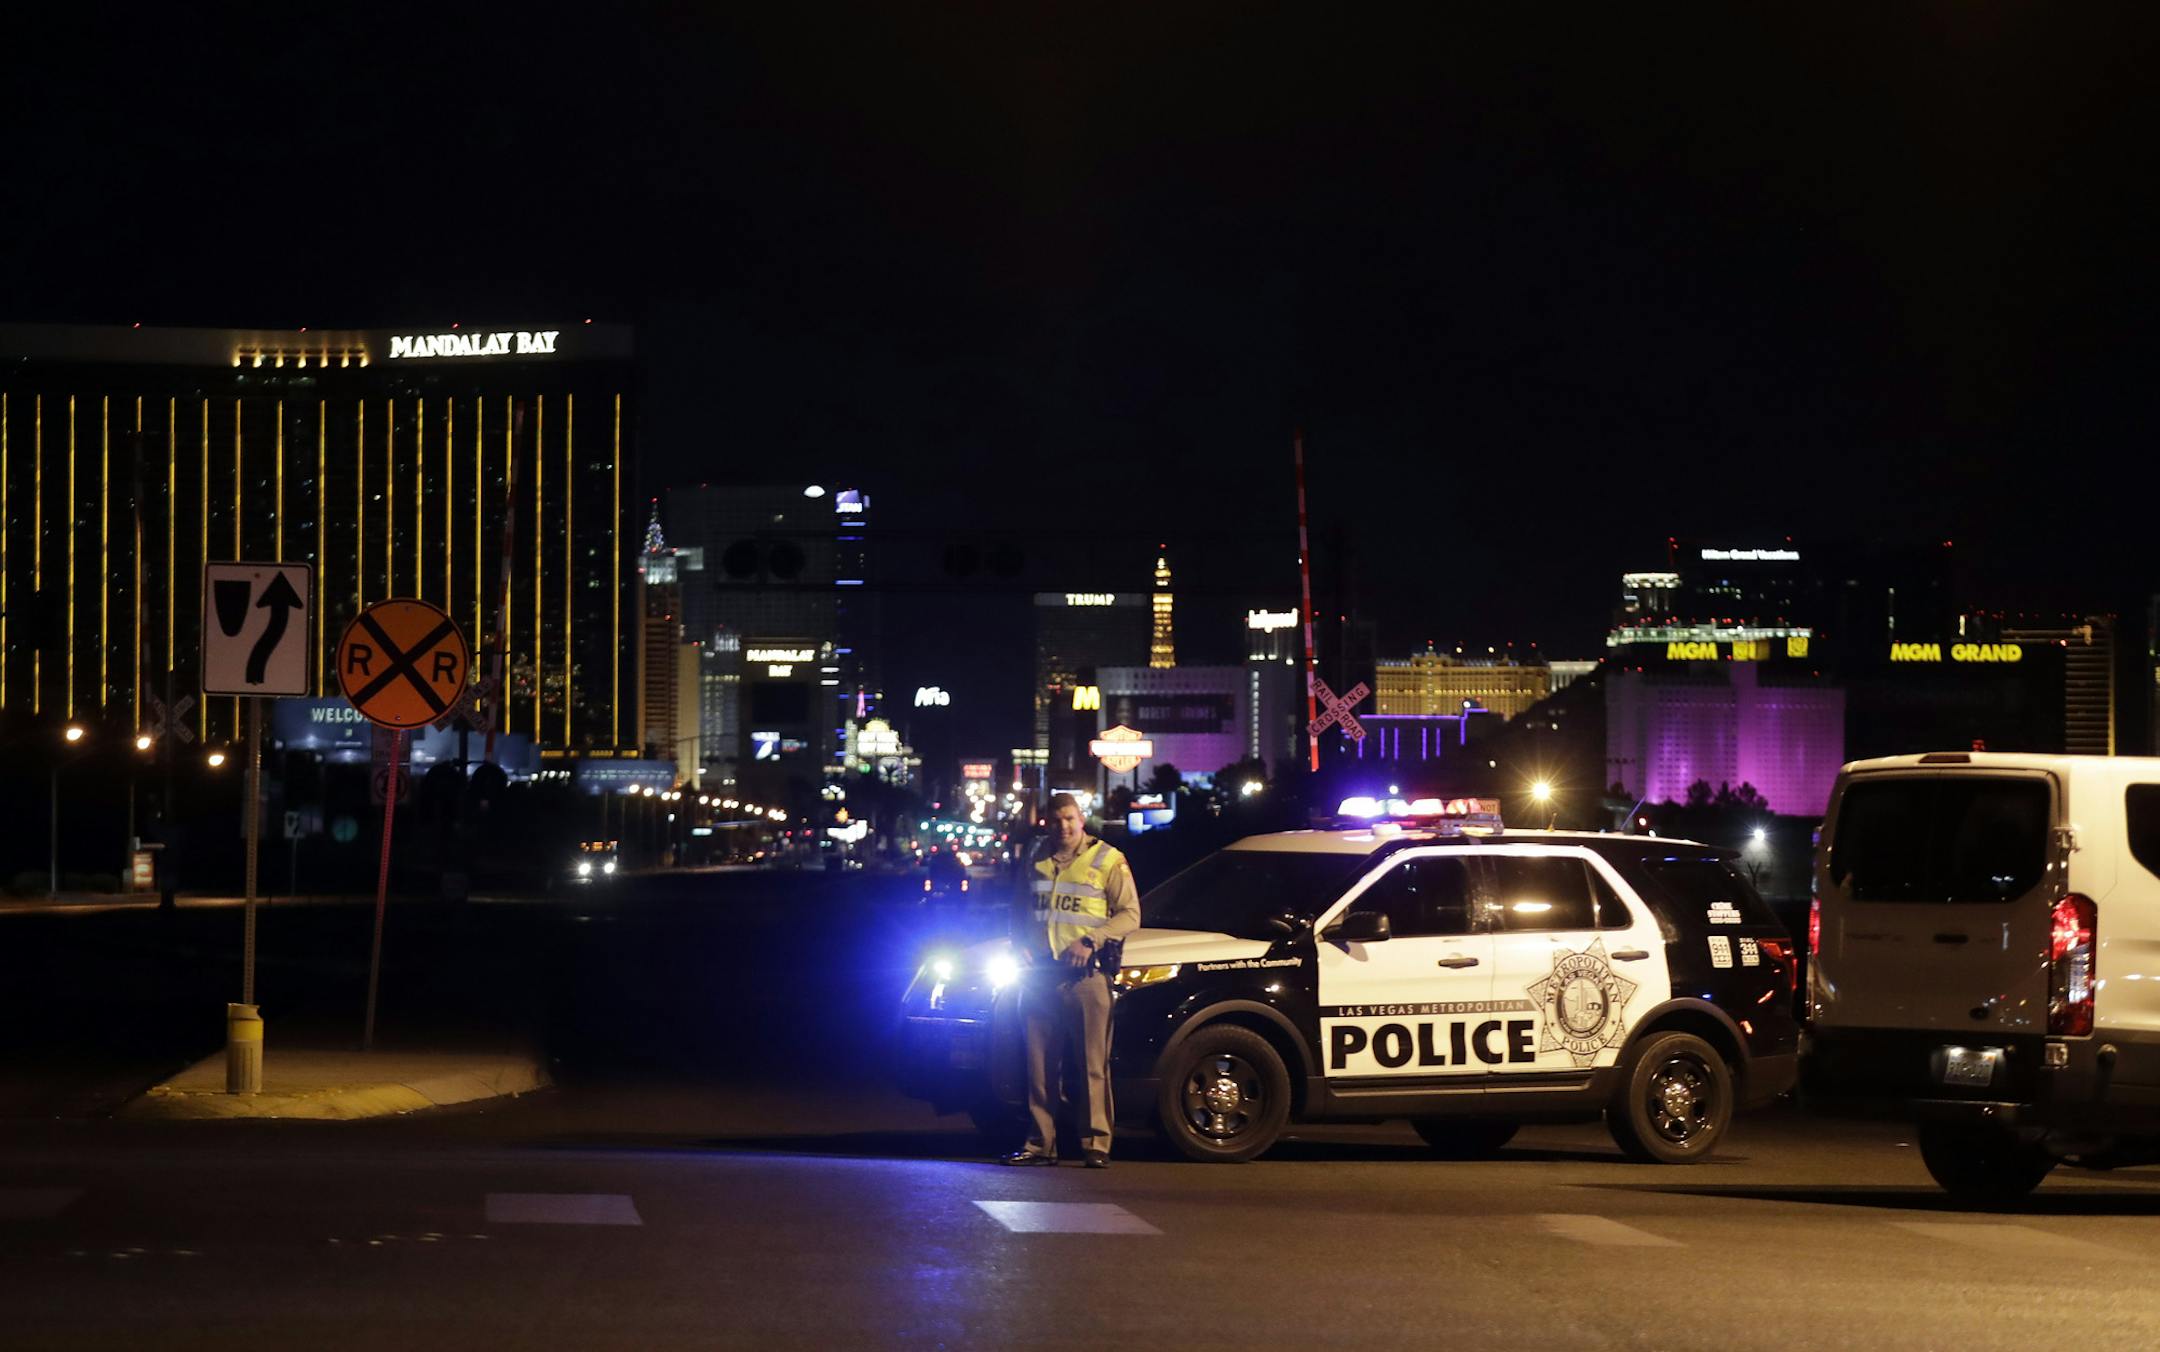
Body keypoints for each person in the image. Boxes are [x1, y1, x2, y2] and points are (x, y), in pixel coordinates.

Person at [999, 793, 1140, 1169]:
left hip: (1086, 977)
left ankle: (1096, 1144)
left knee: (1092, 1064)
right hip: (1039, 976)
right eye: (1056, 819)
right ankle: (1040, 1144)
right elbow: (1018, 907)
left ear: (1082, 820)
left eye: (1070, 819)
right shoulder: (1034, 855)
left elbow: (1130, 915)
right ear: (1047, 821)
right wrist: (1020, 945)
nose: (1063, 826)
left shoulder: (1107, 859)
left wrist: (1092, 940)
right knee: (1039, 1065)